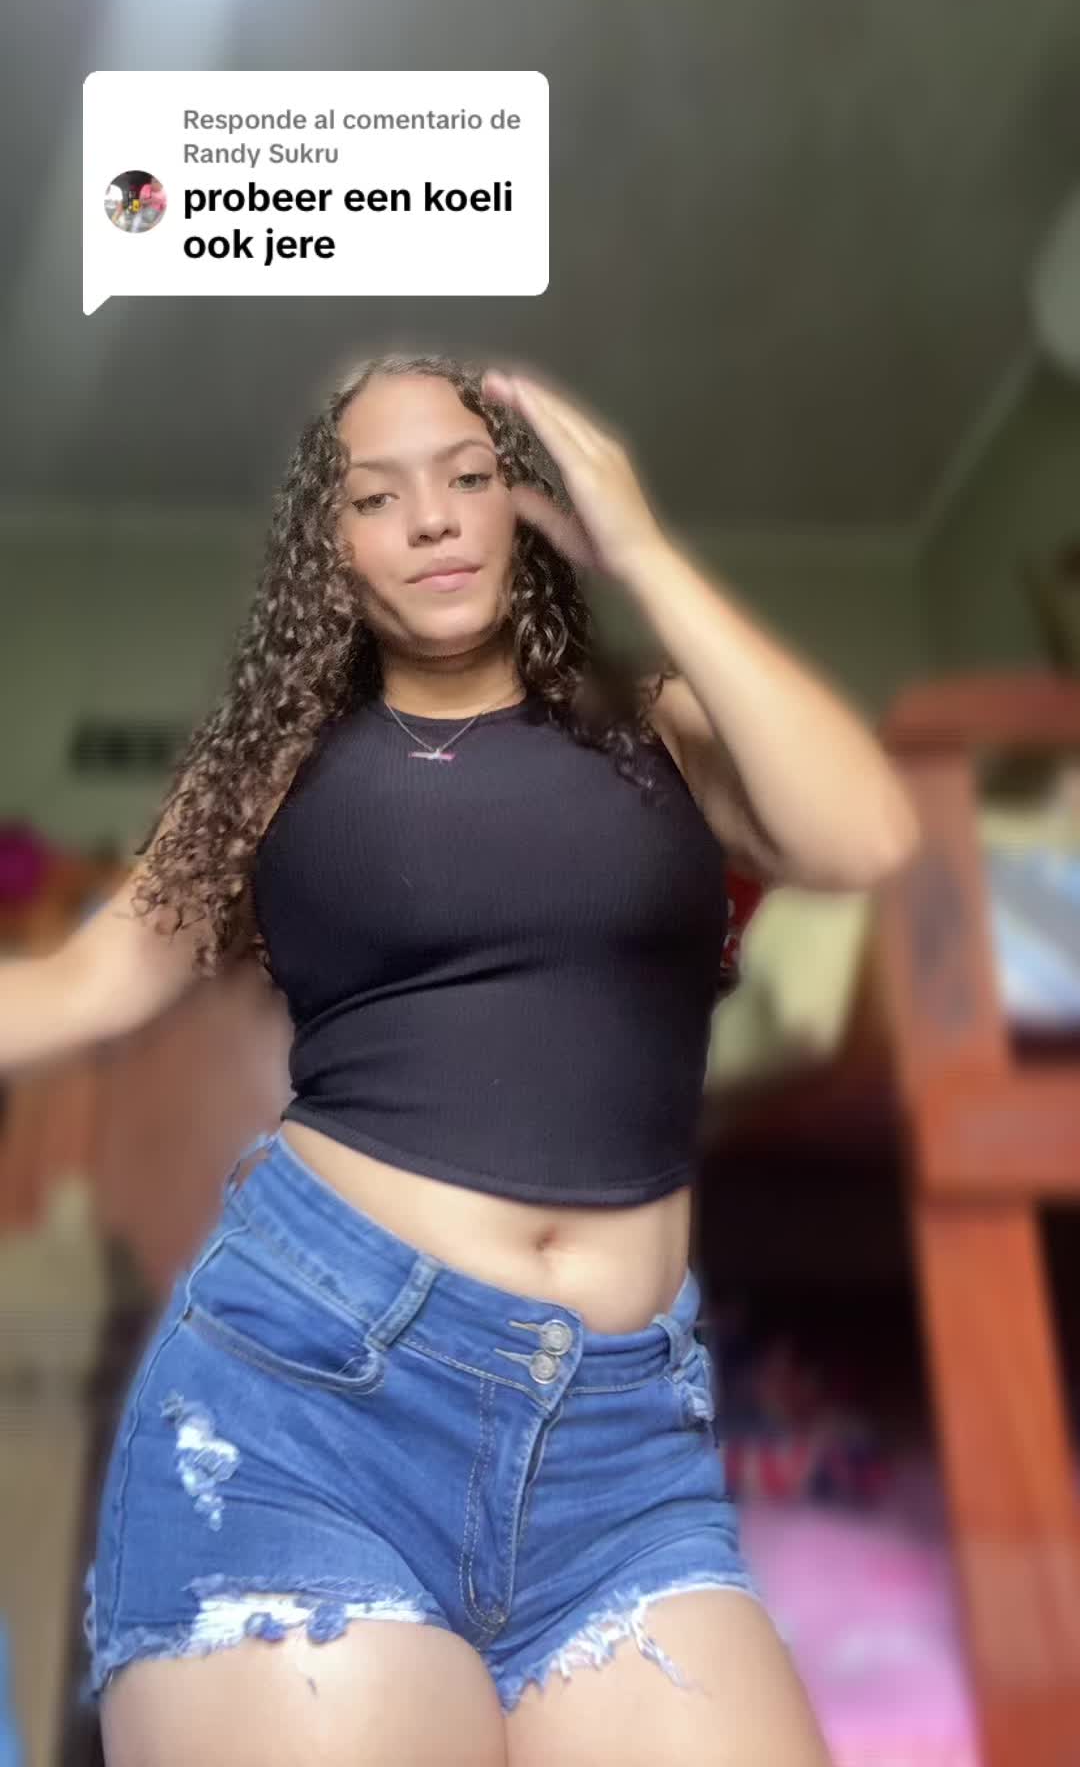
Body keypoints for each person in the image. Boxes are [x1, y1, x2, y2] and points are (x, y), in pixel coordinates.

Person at [0, 352, 919, 1766]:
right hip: (314, 1408)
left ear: (528, 504)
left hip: (622, 1452)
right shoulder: (279, 763)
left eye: (468, 476)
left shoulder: (656, 724)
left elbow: (869, 836)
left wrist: (647, 551)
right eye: (377, 497)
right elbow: (78, 988)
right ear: (332, 551)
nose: (430, 518)